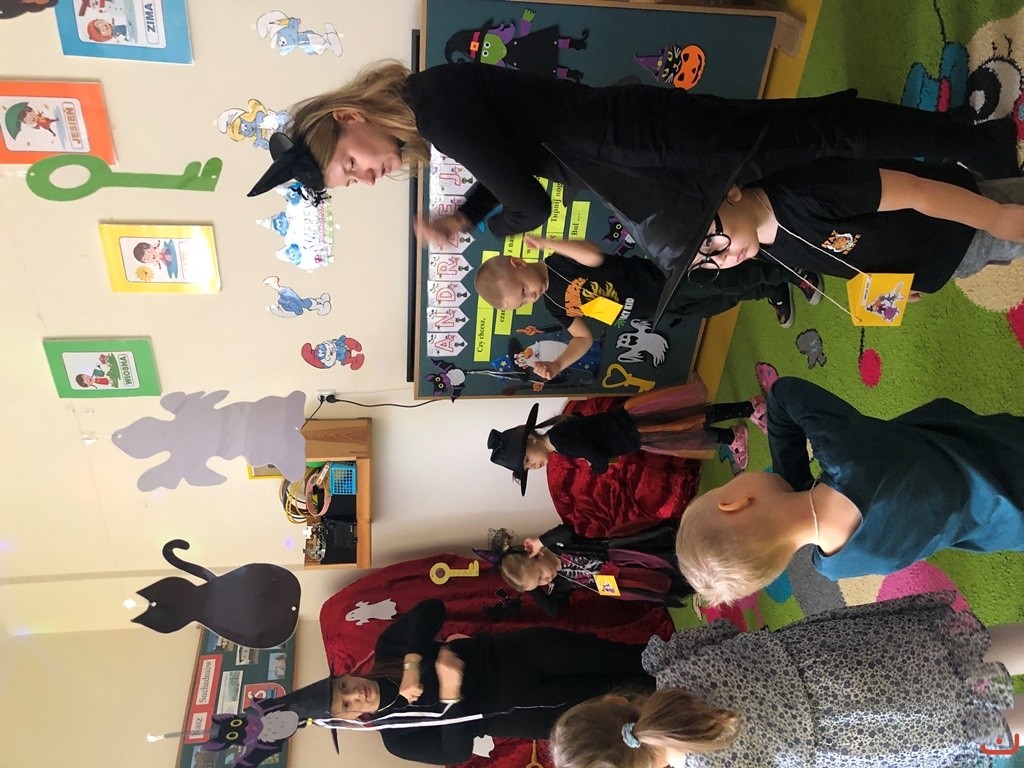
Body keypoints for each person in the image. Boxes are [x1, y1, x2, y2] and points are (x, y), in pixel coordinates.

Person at [251, 60, 1018, 257]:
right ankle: (960, 144)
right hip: (633, 143)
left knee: (819, 135)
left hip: (643, 143)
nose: (364, 178)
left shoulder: (438, 109)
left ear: (348, 118)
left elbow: (530, 202)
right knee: (808, 138)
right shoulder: (435, 103)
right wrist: (468, 213)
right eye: (351, 183)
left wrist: (482, 227)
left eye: (348, 166)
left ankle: (975, 144)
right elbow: (510, 162)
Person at [549, 592, 1023, 768]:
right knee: (963, 649)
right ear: (616, 701)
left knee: (981, 724)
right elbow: (725, 630)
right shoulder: (673, 666)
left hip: (865, 730)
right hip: (843, 654)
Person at [675, 377, 1024, 607]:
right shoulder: (848, 454)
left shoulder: (834, 566)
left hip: (1004, 527)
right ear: (735, 503)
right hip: (1005, 457)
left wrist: (791, 492)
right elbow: (783, 396)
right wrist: (789, 480)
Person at [263, 598, 654, 765]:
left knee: (633, 659)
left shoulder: (388, 650)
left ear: (345, 675)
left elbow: (431, 609)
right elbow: (455, 753)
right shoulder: (397, 739)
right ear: (348, 719)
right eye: (346, 706)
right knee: (632, 707)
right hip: (530, 713)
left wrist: (413, 662)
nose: (355, 696)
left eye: (344, 687)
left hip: (526, 652)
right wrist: (450, 693)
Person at [475, 236, 821, 380]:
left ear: (519, 263)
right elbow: (582, 338)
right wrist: (558, 363)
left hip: (664, 280)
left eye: (523, 290)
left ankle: (791, 272)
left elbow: (594, 256)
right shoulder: (553, 306)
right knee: (719, 301)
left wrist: (548, 242)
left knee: (728, 280)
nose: (530, 297)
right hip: (656, 309)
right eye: (523, 302)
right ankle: (770, 288)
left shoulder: (558, 261)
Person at [682, 157, 1024, 299]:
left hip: (961, 220)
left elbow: (917, 191)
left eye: (711, 241)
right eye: (706, 264)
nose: (722, 259)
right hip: (940, 261)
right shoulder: (758, 244)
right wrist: (886, 288)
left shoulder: (808, 192)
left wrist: (994, 217)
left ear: (730, 194)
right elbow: (837, 256)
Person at [487, 381, 765, 494]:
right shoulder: (559, 438)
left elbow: (597, 457)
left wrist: (595, 468)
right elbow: (584, 426)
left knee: (693, 420)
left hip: (636, 429)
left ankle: (749, 408)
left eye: (527, 459)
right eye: (528, 468)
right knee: (688, 429)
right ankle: (732, 436)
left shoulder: (561, 441)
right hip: (634, 429)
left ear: (531, 439)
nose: (534, 466)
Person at [481, 523, 694, 617]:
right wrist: (532, 586)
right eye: (540, 583)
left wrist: (540, 542)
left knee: (668, 559)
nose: (546, 580)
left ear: (536, 555)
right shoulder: (559, 583)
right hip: (625, 582)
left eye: (540, 575)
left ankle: (698, 552)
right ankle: (696, 582)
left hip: (624, 555)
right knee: (667, 582)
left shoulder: (559, 546)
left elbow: (566, 531)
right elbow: (553, 610)